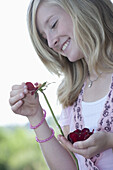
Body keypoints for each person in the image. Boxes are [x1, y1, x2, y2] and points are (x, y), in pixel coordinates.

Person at [9, 0, 113, 169]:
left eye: (53, 24)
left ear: (83, 6)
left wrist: (110, 140)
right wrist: (35, 116)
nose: (50, 43)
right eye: (44, 38)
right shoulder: (72, 95)